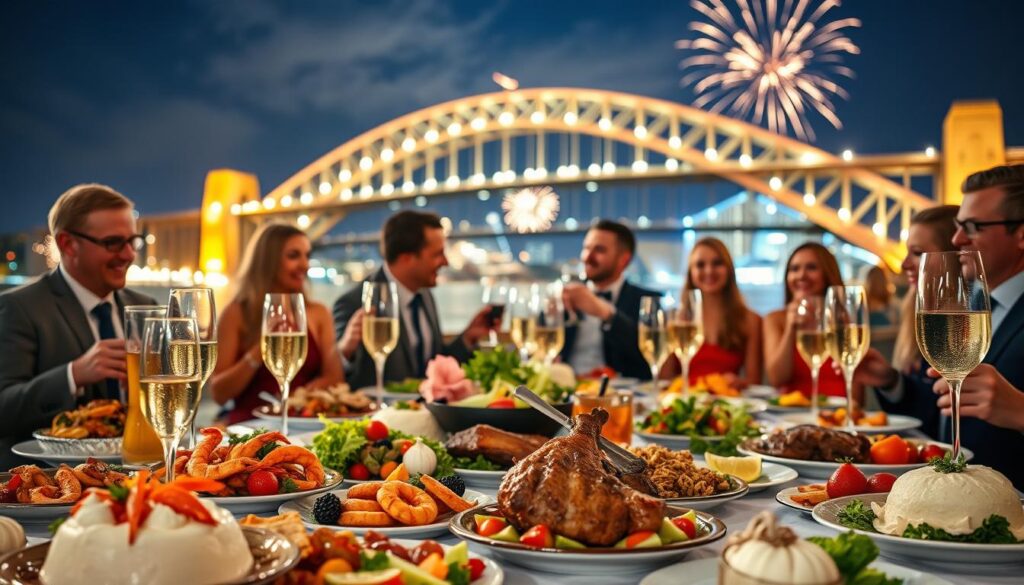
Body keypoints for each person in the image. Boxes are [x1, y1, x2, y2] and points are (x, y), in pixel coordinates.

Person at [858, 165, 1024, 488]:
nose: (957, 238)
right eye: (959, 226)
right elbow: (944, 413)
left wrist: (1020, 410)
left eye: (972, 227)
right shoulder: (976, 303)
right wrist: (893, 382)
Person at [0, 184, 155, 467]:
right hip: (53, 482)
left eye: (132, 241)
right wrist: (73, 375)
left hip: (143, 469)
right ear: (67, 244)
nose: (129, 255)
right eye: (113, 243)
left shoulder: (147, 308)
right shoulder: (19, 308)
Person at [333, 211, 492, 389]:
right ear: (406, 258)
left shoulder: (425, 295)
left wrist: (468, 337)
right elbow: (336, 373)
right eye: (437, 254)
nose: (446, 262)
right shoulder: (352, 303)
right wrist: (345, 350)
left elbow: (434, 364)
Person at [210, 223, 343, 424]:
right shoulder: (237, 313)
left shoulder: (318, 313)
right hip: (250, 426)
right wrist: (259, 351)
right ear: (267, 261)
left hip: (303, 422)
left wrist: (302, 396)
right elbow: (219, 393)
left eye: (307, 255)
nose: (305, 265)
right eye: (293, 256)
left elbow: (335, 376)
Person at [862, 205, 958, 440]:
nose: (904, 264)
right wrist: (891, 381)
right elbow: (927, 409)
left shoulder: (970, 325)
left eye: (916, 253)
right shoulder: (915, 314)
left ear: (955, 256)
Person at [559, 220, 659, 380]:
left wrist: (608, 314)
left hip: (621, 395)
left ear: (623, 260)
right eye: (586, 248)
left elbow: (651, 356)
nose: (587, 257)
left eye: (599, 250)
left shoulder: (647, 300)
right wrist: (550, 315)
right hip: (567, 391)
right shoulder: (567, 295)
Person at [660, 237, 763, 387]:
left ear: (729, 269)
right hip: (685, 402)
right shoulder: (676, 320)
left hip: (728, 403)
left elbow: (754, 383)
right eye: (700, 265)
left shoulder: (751, 320)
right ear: (691, 273)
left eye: (717, 263)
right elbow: (665, 379)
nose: (709, 271)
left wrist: (737, 382)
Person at [763, 242, 858, 401]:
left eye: (812, 267)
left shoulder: (844, 321)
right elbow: (776, 379)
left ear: (827, 273)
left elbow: (856, 390)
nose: (801, 275)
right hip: (791, 414)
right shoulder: (775, 319)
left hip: (836, 412)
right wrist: (790, 328)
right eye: (794, 269)